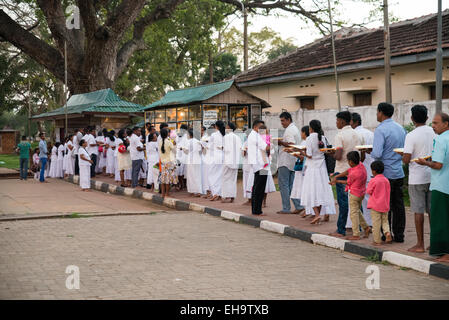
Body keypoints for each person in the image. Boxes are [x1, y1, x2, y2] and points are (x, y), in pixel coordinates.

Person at [365, 102, 406, 243]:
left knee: (384, 205)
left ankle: (386, 233)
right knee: (398, 205)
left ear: (381, 113)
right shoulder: (400, 128)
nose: (377, 115)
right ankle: (399, 234)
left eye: (377, 112)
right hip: (398, 171)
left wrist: (369, 151)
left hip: (385, 173)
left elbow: (377, 153)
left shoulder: (381, 129)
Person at [401, 105, 435, 253]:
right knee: (432, 211)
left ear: (412, 118)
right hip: (433, 175)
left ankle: (420, 244)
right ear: (427, 118)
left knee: (418, 211)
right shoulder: (435, 132)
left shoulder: (411, 135)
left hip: (417, 178)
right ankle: (434, 242)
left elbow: (407, 159)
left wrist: (401, 156)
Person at [416, 113, 449, 263]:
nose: (433, 126)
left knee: (440, 219)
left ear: (446, 124)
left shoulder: (441, 140)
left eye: (436, 123)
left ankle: (445, 252)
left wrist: (425, 163)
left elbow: (438, 165)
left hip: (441, 185)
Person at [329, 111, 362, 237]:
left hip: (342, 169)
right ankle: (359, 227)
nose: (336, 123)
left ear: (342, 121)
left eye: (337, 120)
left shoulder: (340, 135)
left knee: (343, 202)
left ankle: (341, 229)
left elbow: (338, 156)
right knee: (356, 200)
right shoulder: (357, 134)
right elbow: (361, 154)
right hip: (356, 170)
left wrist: (329, 153)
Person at [299, 120, 336, 224]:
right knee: (321, 189)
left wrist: (302, 152)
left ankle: (317, 214)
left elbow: (310, 155)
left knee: (311, 190)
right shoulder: (323, 138)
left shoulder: (310, 138)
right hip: (322, 167)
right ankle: (320, 213)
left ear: (311, 128)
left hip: (312, 168)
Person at [330, 151, 370, 240]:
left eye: (348, 161)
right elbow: (348, 171)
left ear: (351, 162)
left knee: (353, 214)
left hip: (354, 194)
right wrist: (337, 176)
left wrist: (337, 181)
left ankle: (356, 234)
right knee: (357, 211)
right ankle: (366, 227)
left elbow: (348, 182)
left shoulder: (353, 173)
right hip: (361, 193)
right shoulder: (360, 166)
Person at [276, 112, 305, 215]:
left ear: (288, 120)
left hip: (286, 161)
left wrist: (280, 142)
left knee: (284, 185)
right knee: (291, 185)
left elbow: (291, 145)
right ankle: (298, 205)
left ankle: (286, 207)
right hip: (292, 161)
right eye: (281, 121)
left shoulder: (289, 130)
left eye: (283, 120)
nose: (282, 123)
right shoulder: (295, 129)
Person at [366, 161, 393, 246]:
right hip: (385, 205)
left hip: (375, 206)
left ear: (373, 171)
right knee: (385, 221)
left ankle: (377, 241)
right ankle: (387, 232)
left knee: (376, 224)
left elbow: (368, 191)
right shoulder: (386, 180)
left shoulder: (373, 180)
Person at [248, 120, 269, 216]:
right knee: (259, 188)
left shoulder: (253, 135)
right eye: (261, 128)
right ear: (256, 127)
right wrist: (274, 142)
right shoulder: (256, 136)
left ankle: (255, 209)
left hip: (258, 164)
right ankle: (257, 210)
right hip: (261, 164)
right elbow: (266, 148)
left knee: (257, 187)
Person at [291, 126, 310, 218]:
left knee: (304, 189)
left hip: (304, 169)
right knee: (300, 190)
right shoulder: (303, 142)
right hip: (300, 169)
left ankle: (307, 209)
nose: (301, 134)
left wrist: (296, 154)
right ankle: (306, 209)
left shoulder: (307, 143)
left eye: (301, 132)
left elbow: (304, 157)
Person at [222, 122, 242, 203]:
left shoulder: (226, 137)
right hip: (235, 161)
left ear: (229, 127)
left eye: (226, 126)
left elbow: (225, 149)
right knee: (233, 179)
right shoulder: (237, 138)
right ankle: (232, 196)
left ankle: (226, 196)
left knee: (225, 178)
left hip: (227, 160)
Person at [208, 121, 226, 201]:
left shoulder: (214, 135)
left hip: (215, 156)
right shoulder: (224, 135)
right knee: (220, 175)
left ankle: (215, 193)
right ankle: (219, 193)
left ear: (216, 127)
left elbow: (210, 146)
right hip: (223, 156)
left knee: (211, 175)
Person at [184, 128, 203, 197]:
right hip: (197, 160)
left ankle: (192, 191)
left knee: (191, 176)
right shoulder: (198, 141)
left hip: (190, 161)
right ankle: (199, 191)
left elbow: (186, 151)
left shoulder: (187, 142)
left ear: (190, 135)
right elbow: (200, 151)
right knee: (197, 176)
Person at [159, 128, 177, 197]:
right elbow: (174, 151)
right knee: (168, 179)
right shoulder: (169, 142)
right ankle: (167, 193)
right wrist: (174, 144)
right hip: (169, 162)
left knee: (163, 178)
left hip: (163, 162)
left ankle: (163, 194)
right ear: (167, 134)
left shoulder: (160, 142)